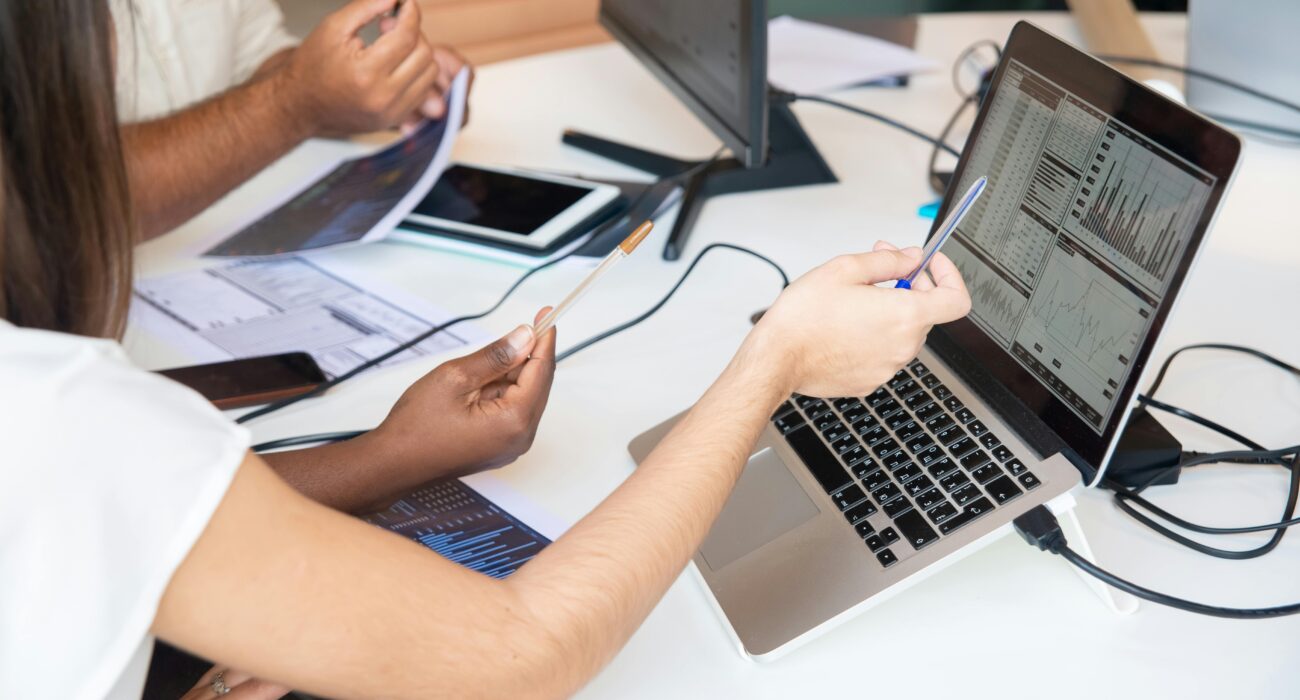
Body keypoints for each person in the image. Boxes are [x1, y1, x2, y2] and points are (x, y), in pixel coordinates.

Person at [0, 2, 972, 698]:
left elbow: (148, 510)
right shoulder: (60, 413)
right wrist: (774, 363)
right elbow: (521, 652)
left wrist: (392, 455)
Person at [112, 0, 467, 239]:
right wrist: (294, 101)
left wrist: (374, 82)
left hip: (214, 238)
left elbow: (259, 65)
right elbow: (88, 190)